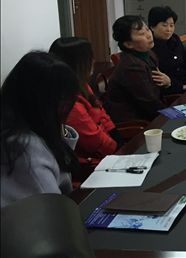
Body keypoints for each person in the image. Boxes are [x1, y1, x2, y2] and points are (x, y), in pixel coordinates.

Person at [1, 52, 80, 207]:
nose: (66, 109)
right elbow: (53, 210)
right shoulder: (24, 148)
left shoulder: (23, 123)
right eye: (62, 101)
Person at [49, 37, 124, 162]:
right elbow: (94, 140)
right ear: (76, 64)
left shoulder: (82, 85)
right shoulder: (70, 104)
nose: (93, 61)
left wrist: (117, 138)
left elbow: (101, 114)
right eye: (89, 58)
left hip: (110, 146)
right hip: (97, 161)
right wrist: (120, 151)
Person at [106, 15, 170, 122]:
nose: (149, 35)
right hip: (136, 122)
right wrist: (173, 115)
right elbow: (149, 102)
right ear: (128, 44)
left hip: (152, 112)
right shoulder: (131, 66)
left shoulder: (149, 53)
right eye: (142, 34)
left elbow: (157, 90)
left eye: (147, 30)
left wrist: (167, 82)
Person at [148, 6, 186, 94]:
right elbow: (159, 81)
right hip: (173, 92)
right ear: (152, 27)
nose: (169, 29)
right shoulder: (149, 47)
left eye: (171, 25)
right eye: (164, 25)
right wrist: (182, 87)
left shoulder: (175, 39)